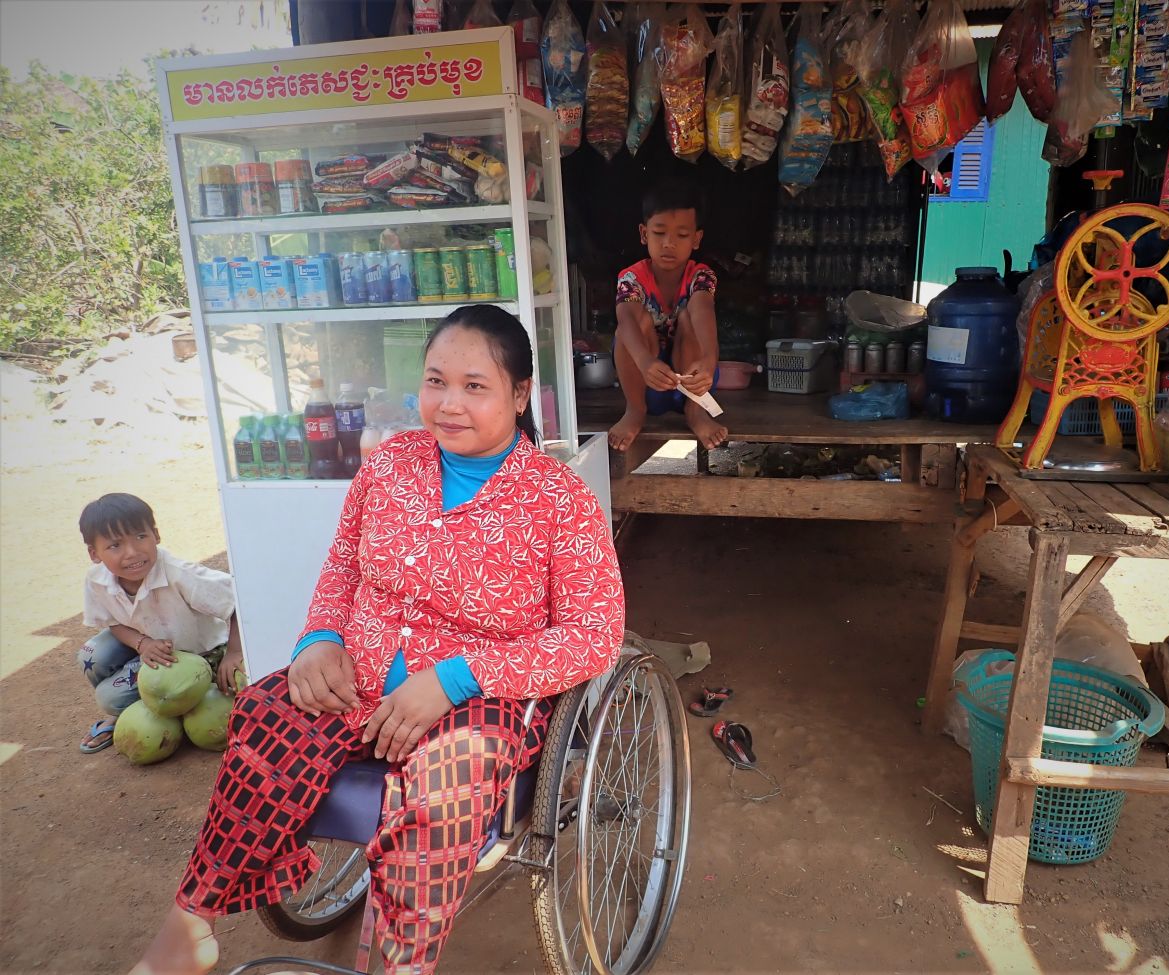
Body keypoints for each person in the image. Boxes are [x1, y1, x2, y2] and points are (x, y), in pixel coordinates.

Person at [130, 305, 625, 975]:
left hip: (480, 697)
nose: (449, 404)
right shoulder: (392, 463)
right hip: (354, 674)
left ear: (517, 395)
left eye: (475, 386)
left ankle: (400, 965)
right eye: (436, 381)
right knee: (264, 713)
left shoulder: (558, 499)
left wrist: (452, 678)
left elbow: (593, 637)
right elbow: (342, 564)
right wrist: (319, 637)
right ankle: (192, 918)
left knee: (441, 793)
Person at [77, 493, 244, 754]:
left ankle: (172, 703)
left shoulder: (180, 574)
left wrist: (234, 652)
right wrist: (142, 644)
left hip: (196, 655)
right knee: (92, 654)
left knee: (111, 697)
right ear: (94, 553)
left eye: (140, 537)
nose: (132, 553)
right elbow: (113, 622)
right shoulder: (96, 580)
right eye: (115, 545)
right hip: (148, 644)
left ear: (156, 535)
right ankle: (141, 709)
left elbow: (238, 602)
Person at [609, 181, 728, 453]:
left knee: (689, 317)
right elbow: (625, 319)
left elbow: (703, 310)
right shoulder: (632, 277)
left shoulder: (701, 276)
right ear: (643, 233)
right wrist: (644, 361)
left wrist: (709, 360)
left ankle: (696, 413)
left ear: (696, 239)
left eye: (682, 235)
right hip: (647, 380)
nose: (669, 244)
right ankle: (635, 411)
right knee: (633, 324)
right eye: (659, 232)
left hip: (694, 382)